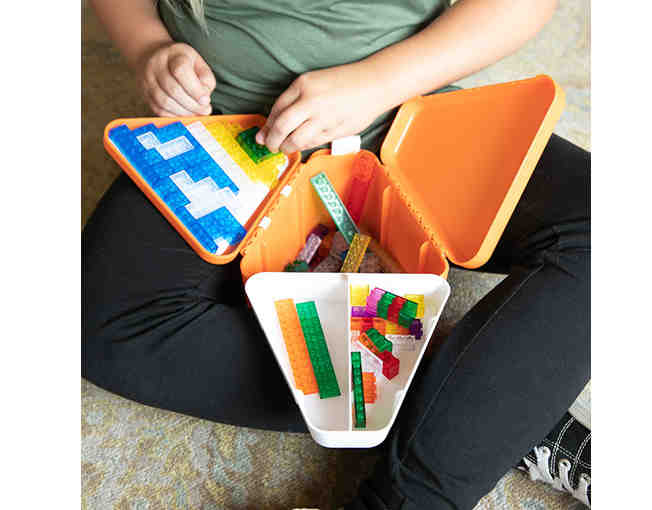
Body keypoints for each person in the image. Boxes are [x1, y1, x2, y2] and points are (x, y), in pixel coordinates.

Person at [83, 0, 590, 508]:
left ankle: (444, 456)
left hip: (403, 109)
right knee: (99, 322)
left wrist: (377, 83)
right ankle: (493, 406)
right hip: (222, 136)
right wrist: (147, 45)